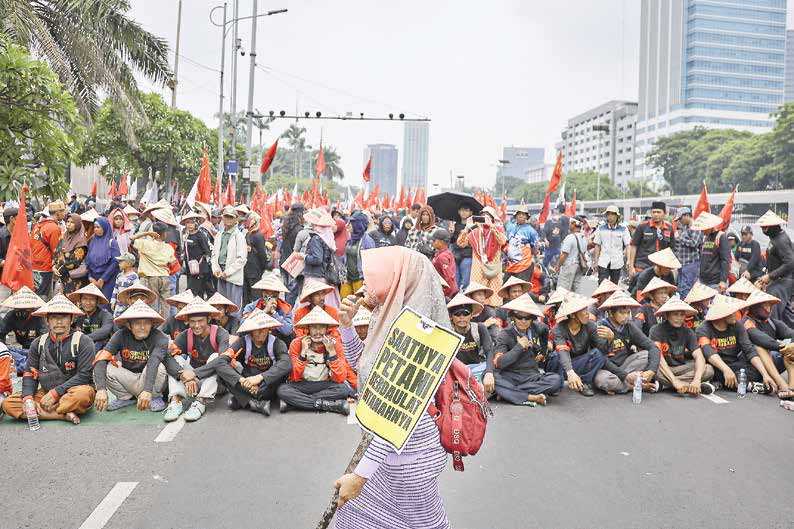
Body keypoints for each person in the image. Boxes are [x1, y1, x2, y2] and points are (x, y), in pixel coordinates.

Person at [333, 246, 452, 528]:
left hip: (409, 460)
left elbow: (395, 417)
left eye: (373, 279)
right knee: (355, 516)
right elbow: (363, 364)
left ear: (398, 280)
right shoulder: (390, 318)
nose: (366, 286)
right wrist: (347, 326)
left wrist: (360, 477)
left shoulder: (418, 334)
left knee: (424, 523)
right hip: (386, 452)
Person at [0, 295, 95, 424]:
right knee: (8, 404)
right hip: (45, 392)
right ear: (47, 320)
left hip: (74, 391)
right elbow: (29, 374)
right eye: (54, 317)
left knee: (82, 396)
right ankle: (62, 414)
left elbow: (85, 375)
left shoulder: (83, 341)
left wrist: (55, 393)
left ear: (72, 319)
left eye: (64, 317)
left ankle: (46, 411)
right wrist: (28, 398)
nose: (59, 321)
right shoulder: (38, 343)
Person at [195, 310, 291, 416]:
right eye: (257, 330)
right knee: (221, 368)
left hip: (268, 384)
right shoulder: (242, 342)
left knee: (284, 369)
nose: (262, 332)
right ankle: (254, 402)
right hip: (246, 384)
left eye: (264, 329)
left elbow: (286, 363)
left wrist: (260, 377)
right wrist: (241, 380)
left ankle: (246, 401)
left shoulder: (277, 343)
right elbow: (222, 360)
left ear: (269, 329)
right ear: (251, 331)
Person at [92, 300, 171, 413]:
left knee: (159, 367)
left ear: (152, 324)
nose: (142, 327)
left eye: (146, 323)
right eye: (137, 323)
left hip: (149, 378)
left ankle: (155, 397)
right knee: (104, 367)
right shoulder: (120, 335)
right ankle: (126, 398)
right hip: (130, 378)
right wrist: (101, 389)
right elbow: (102, 358)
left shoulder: (160, 337)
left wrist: (148, 390)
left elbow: (154, 361)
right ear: (129, 325)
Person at [277, 306, 354, 415]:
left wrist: (332, 353)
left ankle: (294, 403)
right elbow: (294, 376)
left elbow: (340, 378)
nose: (318, 332)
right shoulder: (297, 343)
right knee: (283, 390)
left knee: (343, 389)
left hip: (325, 384)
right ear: (308, 329)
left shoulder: (334, 344)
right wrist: (303, 353)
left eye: (321, 327)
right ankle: (329, 405)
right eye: (314, 327)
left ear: (327, 329)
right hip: (302, 384)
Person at [487, 294, 562, 405]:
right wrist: (519, 347)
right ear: (513, 317)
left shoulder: (539, 328)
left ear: (532, 319)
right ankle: (530, 397)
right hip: (510, 375)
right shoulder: (505, 334)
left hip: (531, 375)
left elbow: (545, 333)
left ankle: (509, 393)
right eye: (519, 317)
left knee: (557, 381)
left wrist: (543, 353)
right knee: (492, 378)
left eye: (527, 318)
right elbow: (499, 363)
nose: (523, 321)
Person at [163, 299, 230, 422]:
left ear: (209, 319)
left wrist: (195, 374)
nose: (197, 325)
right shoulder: (185, 335)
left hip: (216, 383)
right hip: (191, 381)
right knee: (175, 358)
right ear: (187, 321)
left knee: (216, 357)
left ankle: (201, 401)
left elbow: (224, 360)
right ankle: (175, 401)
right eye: (193, 322)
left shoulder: (221, 333)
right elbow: (167, 356)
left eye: (200, 321)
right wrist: (182, 374)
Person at [698, 294, 777, 392]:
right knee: (713, 371)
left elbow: (749, 350)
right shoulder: (703, 328)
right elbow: (709, 353)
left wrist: (765, 374)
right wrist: (726, 370)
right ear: (723, 314)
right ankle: (752, 386)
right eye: (732, 312)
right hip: (717, 366)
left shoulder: (737, 325)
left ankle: (722, 384)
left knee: (758, 368)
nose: (736, 315)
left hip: (735, 365)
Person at [593, 290, 661, 395]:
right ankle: (633, 386)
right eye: (622, 313)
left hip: (626, 365)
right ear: (611, 313)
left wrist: (651, 371)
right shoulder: (601, 327)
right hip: (606, 368)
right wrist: (626, 376)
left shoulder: (629, 326)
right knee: (602, 380)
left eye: (628, 312)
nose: (626, 316)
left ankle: (627, 383)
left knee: (647, 355)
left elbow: (652, 347)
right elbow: (602, 359)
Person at [650, 296, 715, 395]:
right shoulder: (656, 330)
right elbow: (658, 358)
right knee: (654, 371)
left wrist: (697, 380)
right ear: (667, 315)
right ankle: (683, 385)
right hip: (662, 368)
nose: (679, 318)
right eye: (675, 314)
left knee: (708, 369)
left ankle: (667, 385)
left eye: (681, 315)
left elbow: (699, 356)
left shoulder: (688, 332)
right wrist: (674, 380)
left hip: (680, 368)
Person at [546, 294, 608, 397]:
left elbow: (603, 348)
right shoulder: (559, 328)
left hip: (576, 363)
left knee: (598, 354)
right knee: (556, 356)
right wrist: (570, 372)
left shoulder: (590, 326)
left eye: (587, 310)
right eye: (584, 311)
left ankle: (584, 382)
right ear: (573, 315)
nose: (588, 314)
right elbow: (562, 351)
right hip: (560, 364)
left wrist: (609, 339)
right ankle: (559, 382)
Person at [740, 289, 793, 398]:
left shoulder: (773, 322)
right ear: (754, 307)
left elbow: (791, 334)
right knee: (760, 347)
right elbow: (761, 339)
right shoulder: (746, 322)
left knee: (789, 352)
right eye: (764, 306)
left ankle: (791, 388)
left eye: (770, 306)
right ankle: (781, 384)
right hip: (751, 365)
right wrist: (785, 347)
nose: (768, 309)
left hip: (771, 363)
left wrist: (791, 347)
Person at [456, 207, 507, 307]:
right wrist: (467, 228)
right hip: (478, 266)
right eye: (482, 216)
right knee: (477, 289)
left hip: (494, 265)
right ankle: (477, 310)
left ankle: (494, 312)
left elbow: (502, 241)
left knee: (495, 290)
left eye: (487, 216)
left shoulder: (498, 229)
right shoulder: (475, 231)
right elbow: (461, 243)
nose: (484, 218)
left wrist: (492, 227)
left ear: (493, 218)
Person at [754, 210, 794, 324]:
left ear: (773, 226)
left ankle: (773, 336)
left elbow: (790, 262)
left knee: (772, 311)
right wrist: (767, 276)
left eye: (765, 227)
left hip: (784, 281)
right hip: (779, 280)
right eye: (762, 227)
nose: (763, 230)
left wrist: (770, 276)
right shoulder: (775, 237)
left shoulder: (781, 240)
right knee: (786, 315)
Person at [131, 222, 175, 320]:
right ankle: (164, 328)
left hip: (150, 277)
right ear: (163, 233)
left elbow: (131, 238)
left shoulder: (145, 244)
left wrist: (146, 234)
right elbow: (172, 263)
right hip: (165, 277)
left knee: (152, 304)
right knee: (165, 304)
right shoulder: (168, 248)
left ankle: (154, 327)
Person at [446, 293, 492, 381]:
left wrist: (489, 372)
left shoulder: (479, 328)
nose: (462, 317)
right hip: (456, 371)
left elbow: (489, 351)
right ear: (451, 317)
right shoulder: (448, 331)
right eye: (457, 314)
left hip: (477, 368)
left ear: (471, 315)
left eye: (465, 314)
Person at [0, 287, 46, 375]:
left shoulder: (38, 316)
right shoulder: (11, 316)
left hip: (37, 350)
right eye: (18, 308)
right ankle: (22, 364)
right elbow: (1, 334)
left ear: (32, 308)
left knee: (33, 360)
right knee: (6, 350)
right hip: (21, 350)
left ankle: (23, 366)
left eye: (25, 309)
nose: (22, 311)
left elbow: (45, 339)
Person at [211, 206, 248, 311]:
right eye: (226, 217)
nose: (228, 219)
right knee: (221, 307)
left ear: (236, 219)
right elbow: (214, 255)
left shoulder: (239, 236)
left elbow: (242, 259)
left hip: (233, 276)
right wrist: (216, 269)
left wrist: (228, 272)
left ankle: (234, 327)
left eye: (231, 217)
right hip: (220, 273)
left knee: (233, 308)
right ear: (222, 218)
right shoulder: (219, 234)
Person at [242, 272, 294, 343]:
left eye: (273, 296)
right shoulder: (251, 307)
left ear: (278, 295)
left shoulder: (285, 308)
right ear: (262, 293)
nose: (270, 298)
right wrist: (264, 311)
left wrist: (274, 313)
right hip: (256, 340)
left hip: (276, 341)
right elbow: (243, 325)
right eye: (267, 295)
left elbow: (288, 331)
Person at [627, 201, 674, 279]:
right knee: (640, 290)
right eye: (654, 212)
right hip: (642, 267)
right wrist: (631, 267)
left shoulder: (669, 228)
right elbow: (633, 246)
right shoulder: (642, 226)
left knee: (659, 291)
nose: (656, 214)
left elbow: (671, 248)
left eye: (658, 212)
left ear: (664, 213)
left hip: (661, 269)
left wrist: (671, 267)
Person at [31, 201, 65, 298]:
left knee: (35, 296)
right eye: (63, 211)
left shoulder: (37, 226)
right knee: (43, 298)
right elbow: (56, 251)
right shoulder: (54, 228)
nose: (65, 214)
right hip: (45, 267)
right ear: (58, 213)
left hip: (33, 266)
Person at [690, 212, 730, 292]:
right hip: (703, 280)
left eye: (704, 228)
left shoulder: (721, 236)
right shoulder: (705, 238)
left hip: (715, 282)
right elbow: (703, 259)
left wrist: (723, 280)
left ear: (710, 226)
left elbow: (725, 260)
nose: (702, 230)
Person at [86, 217, 121, 305]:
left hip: (108, 281)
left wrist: (103, 279)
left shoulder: (112, 242)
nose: (95, 229)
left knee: (105, 305)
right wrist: (90, 277)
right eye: (94, 227)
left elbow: (115, 262)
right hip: (93, 280)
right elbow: (88, 261)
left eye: (98, 227)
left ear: (105, 228)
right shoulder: (92, 241)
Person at [68, 284, 114, 350]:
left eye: (92, 299)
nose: (88, 303)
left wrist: (82, 339)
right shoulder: (77, 315)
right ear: (80, 300)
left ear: (97, 301)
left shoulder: (105, 315)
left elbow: (105, 331)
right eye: (85, 299)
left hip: (101, 349)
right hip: (80, 348)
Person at [593, 205, 631, 284]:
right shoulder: (601, 228)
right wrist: (596, 261)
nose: (610, 216)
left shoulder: (623, 229)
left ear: (617, 216)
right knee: (602, 285)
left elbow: (628, 245)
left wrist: (629, 260)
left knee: (614, 285)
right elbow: (597, 245)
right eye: (608, 214)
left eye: (612, 214)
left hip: (617, 261)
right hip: (603, 261)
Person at [342, 211, 376, 297]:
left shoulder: (367, 241)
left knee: (358, 306)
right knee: (344, 303)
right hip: (347, 279)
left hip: (360, 280)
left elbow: (372, 264)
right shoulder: (350, 239)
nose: (348, 224)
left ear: (358, 225)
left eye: (351, 222)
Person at [53, 213, 89, 294]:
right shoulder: (64, 236)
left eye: (72, 222)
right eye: (67, 221)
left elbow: (74, 262)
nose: (68, 224)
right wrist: (54, 266)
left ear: (77, 224)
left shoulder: (81, 241)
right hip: (61, 277)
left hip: (74, 279)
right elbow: (57, 253)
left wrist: (58, 268)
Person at [181, 212, 214, 300]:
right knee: (194, 292)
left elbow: (207, 252)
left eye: (192, 222)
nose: (189, 225)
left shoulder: (201, 236)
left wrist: (200, 263)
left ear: (196, 223)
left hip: (200, 269)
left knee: (198, 291)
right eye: (187, 223)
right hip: (190, 268)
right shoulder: (187, 235)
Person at [673, 207, 703, 299]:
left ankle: (687, 311)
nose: (679, 221)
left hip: (691, 263)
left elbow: (694, 243)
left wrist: (679, 238)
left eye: (680, 219)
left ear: (686, 216)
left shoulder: (696, 227)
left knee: (686, 289)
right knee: (681, 288)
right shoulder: (685, 227)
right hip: (682, 264)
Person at [243, 212, 271, 306]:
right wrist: (266, 266)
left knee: (246, 296)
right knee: (256, 296)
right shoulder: (258, 236)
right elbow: (262, 254)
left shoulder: (247, 235)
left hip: (246, 268)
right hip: (255, 269)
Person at [556, 216, 588, 292]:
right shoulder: (584, 238)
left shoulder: (570, 237)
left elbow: (564, 254)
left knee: (563, 289)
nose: (569, 225)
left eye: (570, 223)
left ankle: (561, 303)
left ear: (573, 224)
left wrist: (558, 266)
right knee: (576, 290)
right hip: (580, 266)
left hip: (569, 266)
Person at [110, 253, 139, 320]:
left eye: (121, 261)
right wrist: (113, 301)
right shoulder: (119, 276)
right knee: (117, 319)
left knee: (127, 320)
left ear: (129, 264)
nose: (119, 263)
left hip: (129, 305)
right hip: (119, 304)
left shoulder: (134, 276)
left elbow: (136, 291)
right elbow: (116, 289)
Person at [451, 205, 474, 290]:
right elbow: (451, 242)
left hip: (467, 255)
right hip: (456, 256)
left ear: (471, 212)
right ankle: (456, 299)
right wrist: (451, 233)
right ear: (458, 211)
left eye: (466, 210)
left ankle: (464, 299)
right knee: (455, 280)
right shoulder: (454, 225)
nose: (464, 212)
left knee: (465, 282)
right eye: (462, 210)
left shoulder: (473, 226)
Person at [431, 228, 458, 299]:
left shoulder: (442, 257)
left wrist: (447, 294)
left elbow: (449, 277)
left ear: (441, 242)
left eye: (434, 240)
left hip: (446, 293)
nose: (432, 242)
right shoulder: (446, 253)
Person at [543, 203, 570, 269]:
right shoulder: (549, 222)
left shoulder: (562, 219)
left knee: (554, 262)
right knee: (548, 262)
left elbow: (563, 232)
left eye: (556, 209)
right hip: (552, 245)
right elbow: (544, 232)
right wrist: (545, 240)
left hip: (558, 245)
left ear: (558, 210)